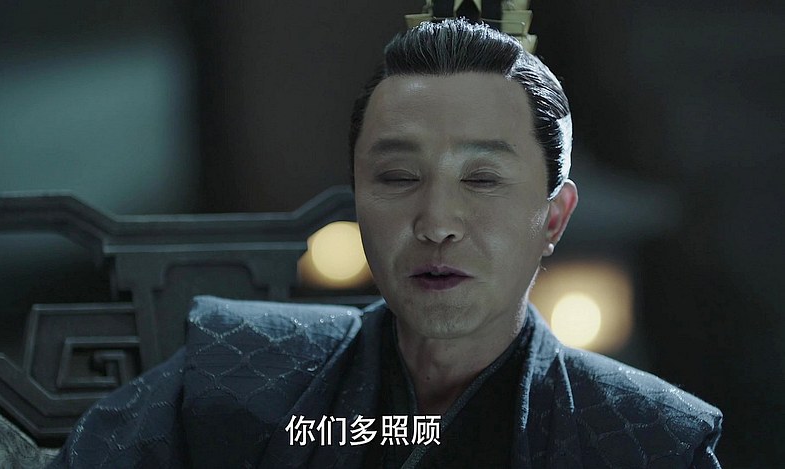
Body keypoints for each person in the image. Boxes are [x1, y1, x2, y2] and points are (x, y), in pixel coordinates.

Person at [49, 19, 722, 468]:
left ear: (553, 217)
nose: (436, 223)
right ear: (357, 201)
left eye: (482, 179)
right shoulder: (237, 371)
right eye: (398, 177)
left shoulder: (647, 437)